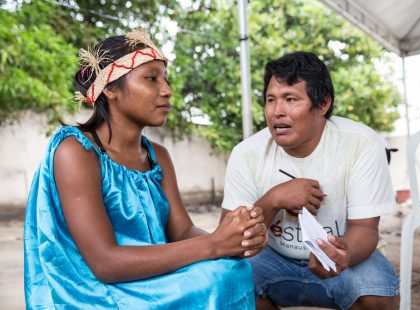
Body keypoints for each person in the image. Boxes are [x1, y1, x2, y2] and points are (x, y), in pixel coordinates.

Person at [23, 28, 267, 309]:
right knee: (212, 280)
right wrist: (214, 246)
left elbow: (183, 232)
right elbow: (105, 263)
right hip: (97, 290)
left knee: (232, 270)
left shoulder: (157, 156)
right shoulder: (76, 152)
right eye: (151, 79)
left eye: (165, 79)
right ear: (111, 89)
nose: (167, 90)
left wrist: (233, 240)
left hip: (150, 278)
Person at [221, 51, 400, 309]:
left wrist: (342, 253)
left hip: (344, 257)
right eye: (270, 100)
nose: (276, 112)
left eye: (290, 99)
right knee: (226, 281)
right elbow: (229, 237)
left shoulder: (361, 144)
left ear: (323, 104)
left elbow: (365, 229)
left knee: (377, 296)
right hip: (274, 258)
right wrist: (274, 199)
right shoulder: (246, 153)